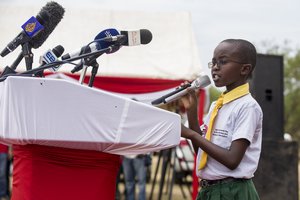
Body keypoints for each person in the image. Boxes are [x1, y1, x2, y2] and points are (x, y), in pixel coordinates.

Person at [180, 39, 262, 200]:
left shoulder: (247, 107)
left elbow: (232, 160)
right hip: (210, 191)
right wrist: (191, 112)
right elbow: (202, 154)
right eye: (213, 62)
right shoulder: (217, 105)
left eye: (223, 62)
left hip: (233, 191)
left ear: (244, 69)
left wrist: (191, 134)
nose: (216, 67)